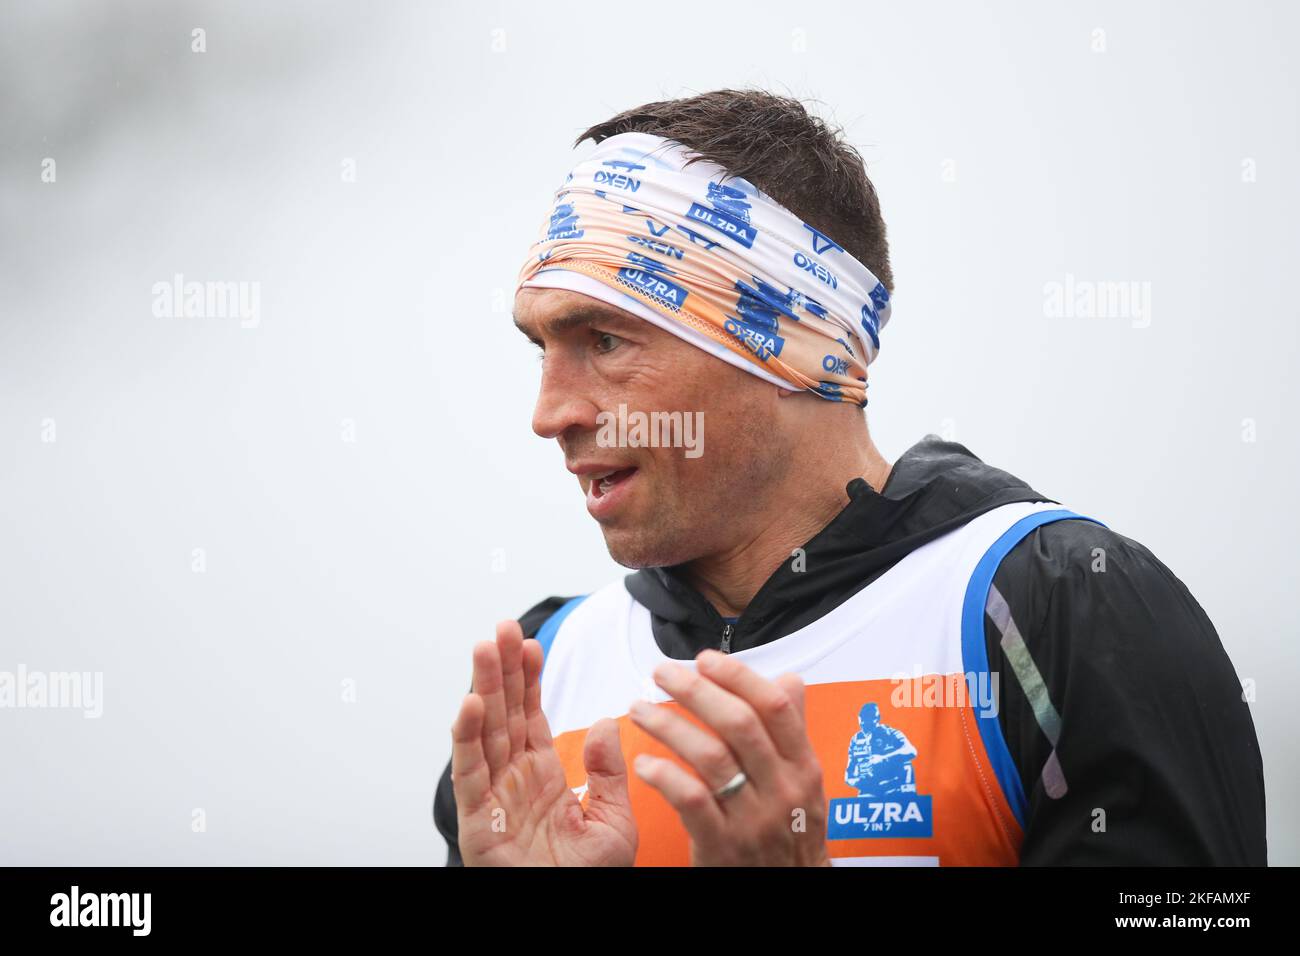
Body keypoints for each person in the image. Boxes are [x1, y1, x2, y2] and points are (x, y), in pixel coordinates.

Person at [433, 89, 1267, 866]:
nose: (551, 413)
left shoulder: (1059, 609)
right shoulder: (540, 675)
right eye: (543, 348)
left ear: (788, 348)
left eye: (605, 342)